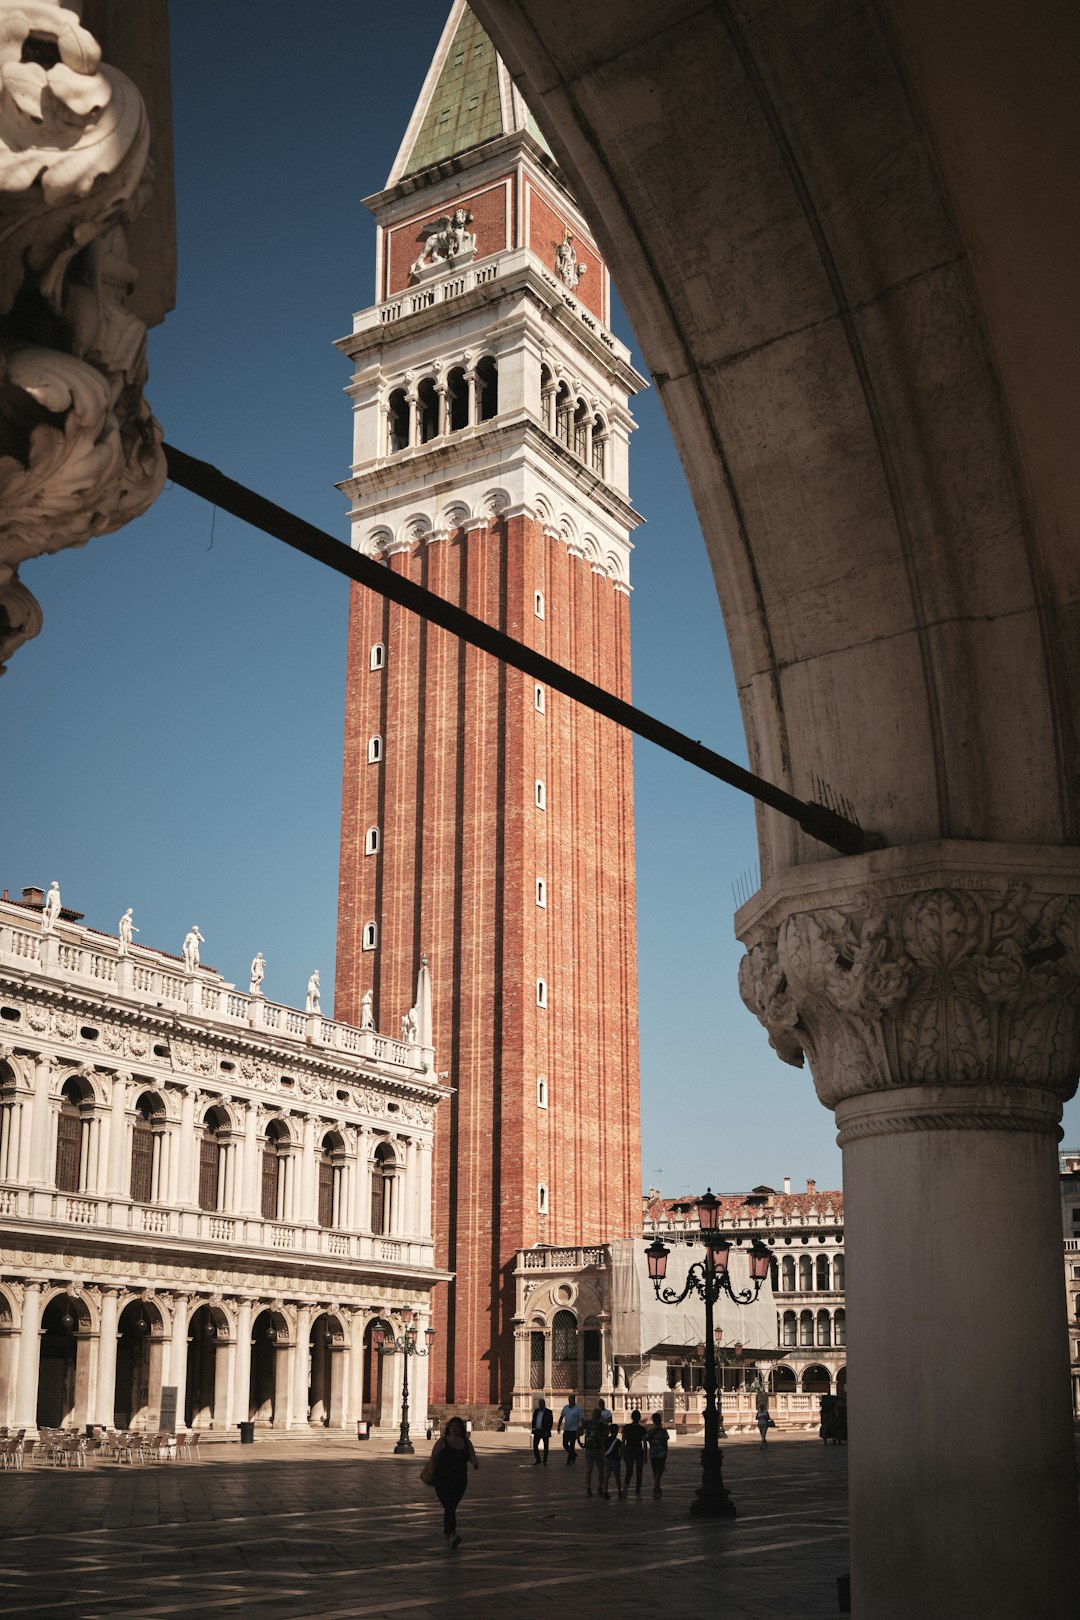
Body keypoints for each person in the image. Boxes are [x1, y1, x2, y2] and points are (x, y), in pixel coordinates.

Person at [427, 1414, 479, 1550]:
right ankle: (451, 1535)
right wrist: (432, 1473)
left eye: (457, 1426)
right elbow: (433, 1458)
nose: (455, 1429)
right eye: (452, 1426)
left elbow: (472, 1456)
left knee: (451, 1507)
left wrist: (475, 1463)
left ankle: (449, 1535)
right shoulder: (442, 1442)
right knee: (450, 1507)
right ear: (448, 1428)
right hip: (442, 1479)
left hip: (459, 1480)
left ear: (461, 1429)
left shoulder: (466, 1442)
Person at [622, 1410, 648, 1497]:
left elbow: (623, 1441)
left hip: (628, 1450)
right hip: (638, 1451)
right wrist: (645, 1455)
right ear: (639, 1418)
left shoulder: (626, 1428)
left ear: (631, 1417)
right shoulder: (642, 1429)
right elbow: (644, 1443)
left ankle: (625, 1490)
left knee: (629, 1471)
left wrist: (622, 1453)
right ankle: (638, 1492)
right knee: (639, 1473)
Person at [581, 1406, 605, 1497]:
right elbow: (604, 1437)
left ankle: (588, 1489)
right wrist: (603, 1447)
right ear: (599, 1416)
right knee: (601, 1470)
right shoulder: (601, 1424)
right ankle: (600, 1488)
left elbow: (578, 1430)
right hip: (597, 1449)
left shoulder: (587, 1423)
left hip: (588, 1448)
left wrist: (579, 1441)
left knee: (589, 1470)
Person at [647, 1412, 669, 1498]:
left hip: (653, 1454)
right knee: (659, 1473)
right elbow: (665, 1443)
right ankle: (655, 1489)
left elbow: (648, 1441)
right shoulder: (663, 1432)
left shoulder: (650, 1431)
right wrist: (666, 1452)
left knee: (655, 1472)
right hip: (661, 1454)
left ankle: (658, 1489)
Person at [557, 1393, 584, 1463]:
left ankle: (570, 1459)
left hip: (574, 1430)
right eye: (569, 1400)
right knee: (565, 1444)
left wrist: (581, 1429)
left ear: (574, 1400)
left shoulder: (578, 1409)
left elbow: (582, 1419)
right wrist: (558, 1426)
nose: (570, 1401)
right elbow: (561, 1417)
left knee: (572, 1444)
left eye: (571, 1400)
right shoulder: (565, 1407)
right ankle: (573, 1454)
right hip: (566, 1429)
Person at [601, 1422, 623, 1499]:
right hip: (615, 1459)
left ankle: (605, 1491)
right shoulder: (618, 1441)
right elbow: (621, 1451)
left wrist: (604, 1456)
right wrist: (620, 1457)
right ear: (617, 1431)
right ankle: (620, 1491)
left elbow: (603, 1449)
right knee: (617, 1477)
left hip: (607, 1459)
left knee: (606, 1476)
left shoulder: (606, 1439)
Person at [531, 1397, 553, 1465]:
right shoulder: (536, 1411)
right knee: (535, 1446)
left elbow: (550, 1422)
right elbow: (533, 1420)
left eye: (541, 1404)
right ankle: (538, 1459)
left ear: (544, 1404)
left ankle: (545, 1461)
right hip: (537, 1431)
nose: (540, 1406)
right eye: (539, 1404)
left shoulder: (548, 1412)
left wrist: (548, 1431)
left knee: (546, 1447)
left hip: (545, 1431)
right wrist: (533, 1428)